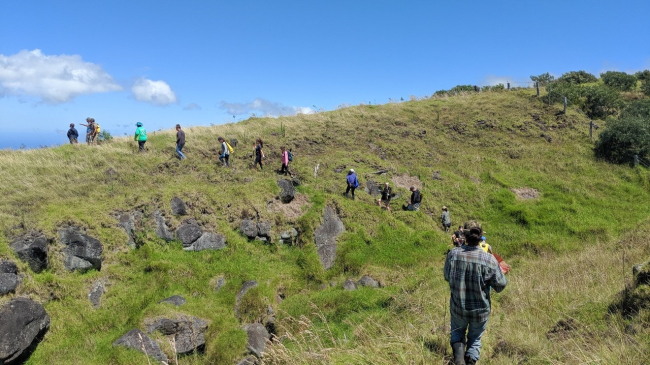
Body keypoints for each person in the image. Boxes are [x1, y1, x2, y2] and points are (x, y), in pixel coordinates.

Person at [444, 220, 507, 365]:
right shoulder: (489, 259)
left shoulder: (453, 254)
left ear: (464, 235)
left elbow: (447, 277)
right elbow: (501, 285)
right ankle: (470, 361)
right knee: (475, 339)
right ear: (480, 237)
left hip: (458, 306)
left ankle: (459, 361)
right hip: (480, 310)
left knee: (457, 333)